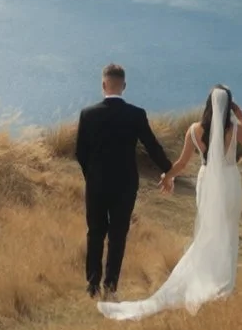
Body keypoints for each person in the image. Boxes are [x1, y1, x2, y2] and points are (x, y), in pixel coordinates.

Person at [99, 84, 242, 321]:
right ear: (229, 107)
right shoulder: (233, 129)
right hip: (229, 183)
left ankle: (207, 278)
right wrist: (241, 115)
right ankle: (224, 283)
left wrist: (168, 176)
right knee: (228, 230)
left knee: (208, 231)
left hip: (207, 184)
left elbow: (183, 163)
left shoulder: (194, 130)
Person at [72, 63, 172, 299]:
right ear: (124, 86)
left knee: (95, 232)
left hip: (96, 183)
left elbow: (80, 152)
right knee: (118, 234)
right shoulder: (136, 114)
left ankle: (92, 285)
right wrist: (170, 171)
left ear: (103, 84)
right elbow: (152, 147)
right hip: (126, 184)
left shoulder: (88, 114)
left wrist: (91, 174)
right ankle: (111, 285)